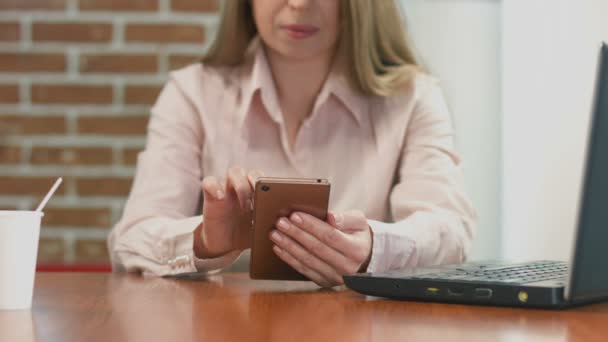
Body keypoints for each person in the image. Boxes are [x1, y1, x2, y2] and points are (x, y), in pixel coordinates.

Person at [108, 0, 476, 288]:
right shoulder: (191, 93)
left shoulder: (414, 97)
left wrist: (374, 249)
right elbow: (130, 241)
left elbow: (451, 231)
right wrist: (205, 240)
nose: (299, 4)